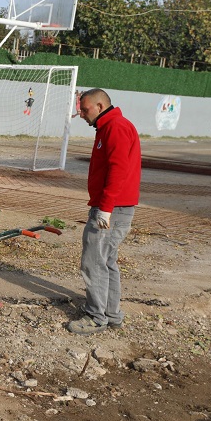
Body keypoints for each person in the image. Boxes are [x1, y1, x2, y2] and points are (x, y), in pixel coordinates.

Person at [68, 88, 141, 335]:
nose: (81, 114)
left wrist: (105, 209)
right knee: (106, 260)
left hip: (112, 209)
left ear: (100, 106)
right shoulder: (108, 127)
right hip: (113, 207)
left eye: (85, 109)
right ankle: (111, 314)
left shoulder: (116, 128)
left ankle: (96, 317)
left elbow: (118, 170)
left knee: (93, 261)